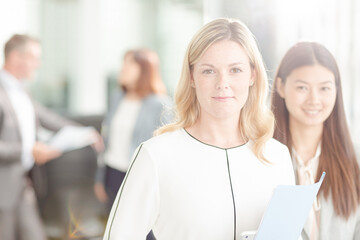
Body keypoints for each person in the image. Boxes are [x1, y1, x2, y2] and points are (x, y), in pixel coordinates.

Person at [102, 18, 295, 240]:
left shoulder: (277, 156)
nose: (223, 83)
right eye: (209, 71)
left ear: (252, 75)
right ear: (192, 77)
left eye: (235, 70)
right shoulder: (155, 156)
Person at [0, 34, 102, 240]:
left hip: (24, 183)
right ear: (16, 57)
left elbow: (48, 118)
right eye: (34, 58)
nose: (38, 64)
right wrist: (28, 150)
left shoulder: (22, 91)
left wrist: (84, 133)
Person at [271, 41, 360, 239]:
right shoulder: (263, 157)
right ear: (281, 87)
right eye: (302, 88)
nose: (314, 100)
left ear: (336, 90)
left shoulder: (355, 160)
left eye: (324, 89)